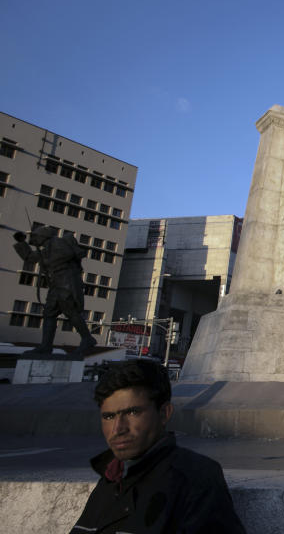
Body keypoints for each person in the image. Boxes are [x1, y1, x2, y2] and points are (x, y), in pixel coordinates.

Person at [71, 359, 246, 533]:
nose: (118, 429)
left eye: (133, 412)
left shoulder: (196, 477)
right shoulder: (110, 478)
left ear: (164, 413)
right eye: (109, 416)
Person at [13, 226, 97, 357]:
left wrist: (47, 262)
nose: (34, 239)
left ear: (43, 236)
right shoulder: (46, 249)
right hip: (57, 283)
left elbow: (67, 254)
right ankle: (46, 346)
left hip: (66, 281)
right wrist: (21, 243)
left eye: (35, 237)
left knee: (70, 311)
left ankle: (87, 338)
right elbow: (30, 257)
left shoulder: (57, 242)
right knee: (49, 313)